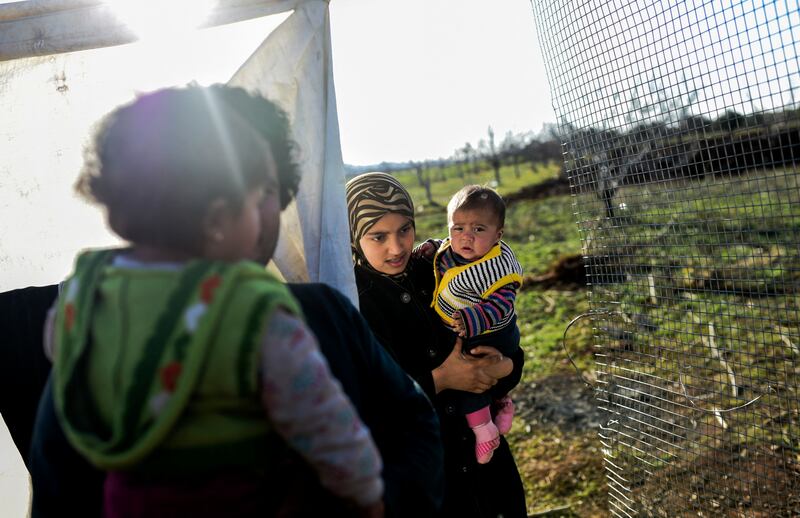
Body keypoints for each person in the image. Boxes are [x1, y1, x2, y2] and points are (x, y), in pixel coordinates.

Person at [23, 84, 443, 518]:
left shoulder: (326, 314)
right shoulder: (269, 318)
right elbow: (65, 490)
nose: (263, 208)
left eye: (269, 190)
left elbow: (415, 427)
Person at [345, 172, 528, 517]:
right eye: (378, 236)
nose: (396, 247)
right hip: (429, 479)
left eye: (404, 229)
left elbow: (500, 339)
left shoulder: (437, 267)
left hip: (484, 469)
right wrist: (442, 379)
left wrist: (505, 366)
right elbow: (368, 403)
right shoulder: (354, 302)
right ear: (353, 238)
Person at [417, 185, 523, 465]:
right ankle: (502, 404)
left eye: (478, 229)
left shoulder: (498, 267)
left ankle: (483, 430)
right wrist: (430, 247)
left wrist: (472, 318)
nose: (466, 237)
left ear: (498, 235)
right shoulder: (454, 250)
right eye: (457, 228)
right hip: (472, 331)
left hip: (495, 333)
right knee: (477, 376)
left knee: (468, 378)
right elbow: (442, 247)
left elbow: (502, 306)